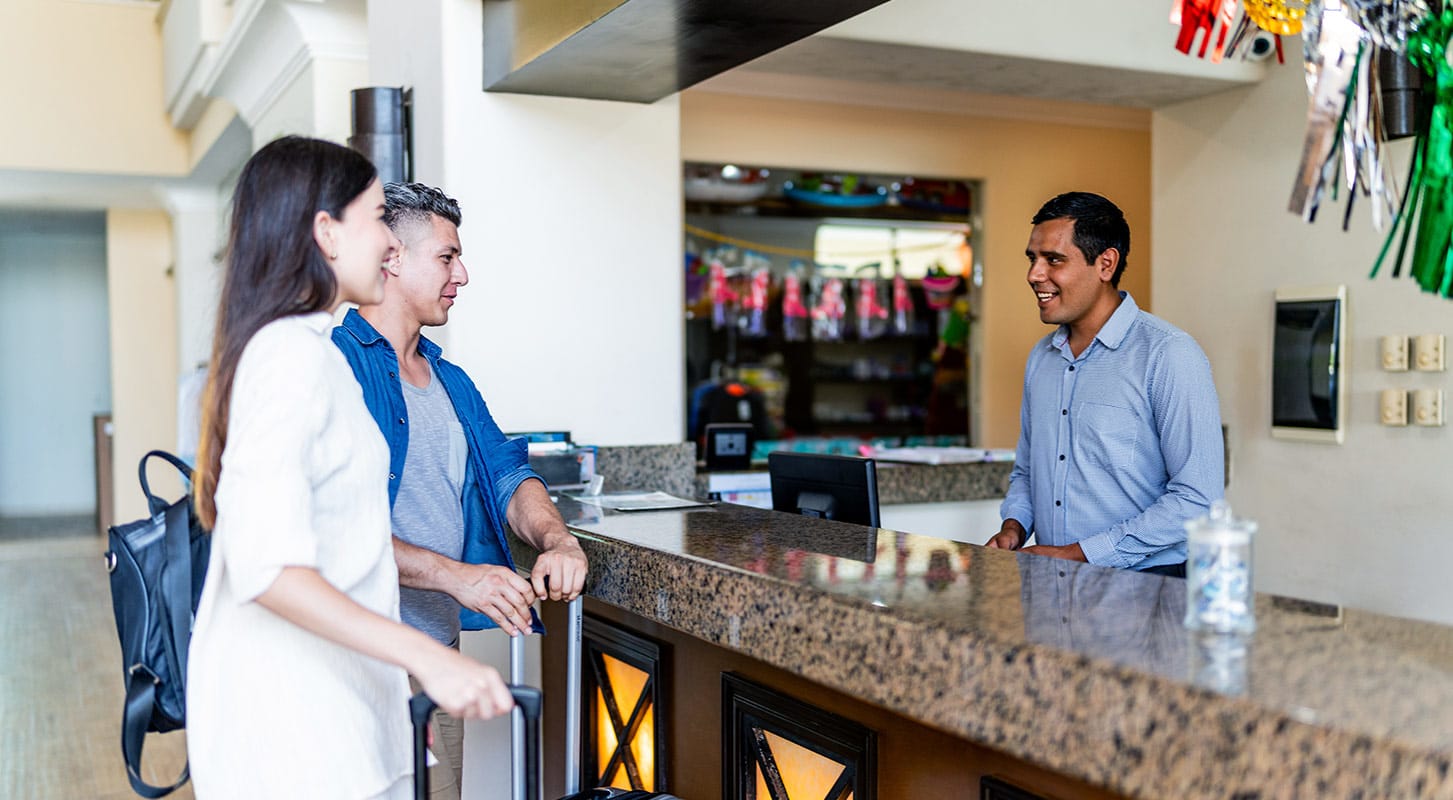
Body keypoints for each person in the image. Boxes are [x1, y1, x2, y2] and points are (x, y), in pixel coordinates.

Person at [186, 137, 514, 800]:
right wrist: (423, 656)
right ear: (326, 233)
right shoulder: (289, 359)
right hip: (296, 732)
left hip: (334, 712)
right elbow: (268, 568)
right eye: (374, 222)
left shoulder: (310, 353)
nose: (390, 247)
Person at [332, 181, 588, 799]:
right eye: (447, 257)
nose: (463, 274)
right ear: (392, 257)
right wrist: (457, 576)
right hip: (358, 661)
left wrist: (559, 539)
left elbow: (507, 473)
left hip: (436, 654)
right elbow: (333, 529)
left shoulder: (450, 380)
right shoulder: (334, 367)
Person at [984, 192, 1223, 576]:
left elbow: (1197, 500)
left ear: (1106, 264)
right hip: (1051, 585)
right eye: (1033, 259)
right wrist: (1015, 526)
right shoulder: (1041, 359)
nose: (1034, 275)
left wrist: (1081, 553)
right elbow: (1028, 471)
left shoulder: (1169, 354)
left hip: (1146, 588)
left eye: (1054, 260)